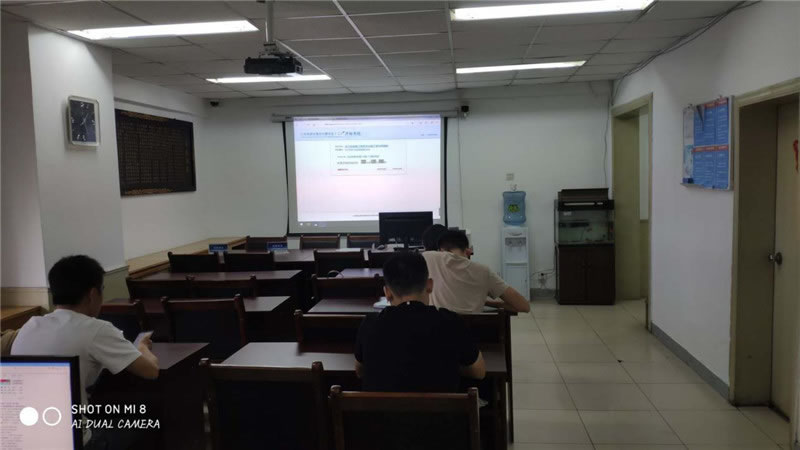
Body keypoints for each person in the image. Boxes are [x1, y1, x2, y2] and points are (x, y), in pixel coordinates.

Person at [12, 255, 159, 447]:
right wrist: (141, 347)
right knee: (147, 423)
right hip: (74, 441)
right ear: (93, 294)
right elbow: (151, 371)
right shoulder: (96, 329)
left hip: (22, 438)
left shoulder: (29, 326)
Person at [355, 252, 485, 393]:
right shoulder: (451, 322)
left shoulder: (370, 324)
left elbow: (360, 371)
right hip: (440, 408)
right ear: (429, 285)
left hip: (381, 408)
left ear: (387, 292)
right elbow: (479, 372)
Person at [423, 230, 531, 314]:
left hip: (438, 334)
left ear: (440, 250)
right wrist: (486, 302)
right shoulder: (484, 271)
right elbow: (524, 306)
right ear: (468, 251)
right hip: (471, 334)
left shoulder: (428, 258)